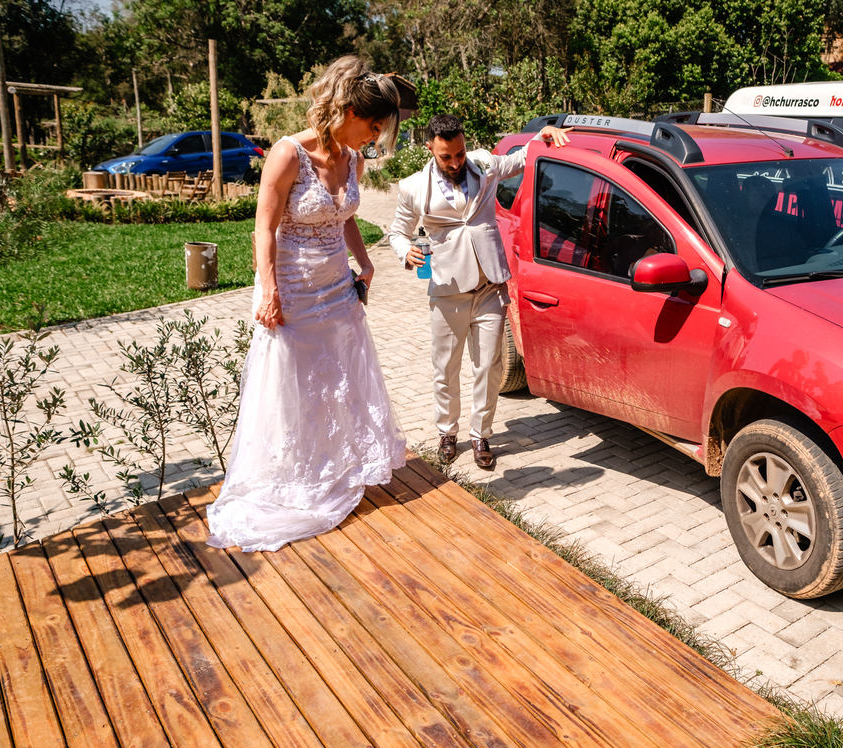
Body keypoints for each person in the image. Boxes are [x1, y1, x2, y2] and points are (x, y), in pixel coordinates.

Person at [207, 55, 407, 552]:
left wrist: (365, 263)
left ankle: (334, 467)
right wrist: (269, 288)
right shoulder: (288, 153)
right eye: (372, 126)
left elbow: (346, 215)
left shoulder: (354, 158)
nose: (375, 136)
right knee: (292, 384)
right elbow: (264, 227)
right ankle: (292, 481)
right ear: (346, 111)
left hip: (336, 285)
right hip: (291, 288)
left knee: (337, 380)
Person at [388, 114, 570, 468]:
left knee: (489, 365)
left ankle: (480, 435)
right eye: (446, 157)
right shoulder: (412, 187)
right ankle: (447, 431)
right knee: (446, 368)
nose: (455, 162)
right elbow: (397, 231)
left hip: (490, 286)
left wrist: (542, 135)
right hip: (447, 290)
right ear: (430, 149)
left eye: (459, 153)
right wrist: (403, 250)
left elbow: (520, 158)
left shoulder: (484, 164)